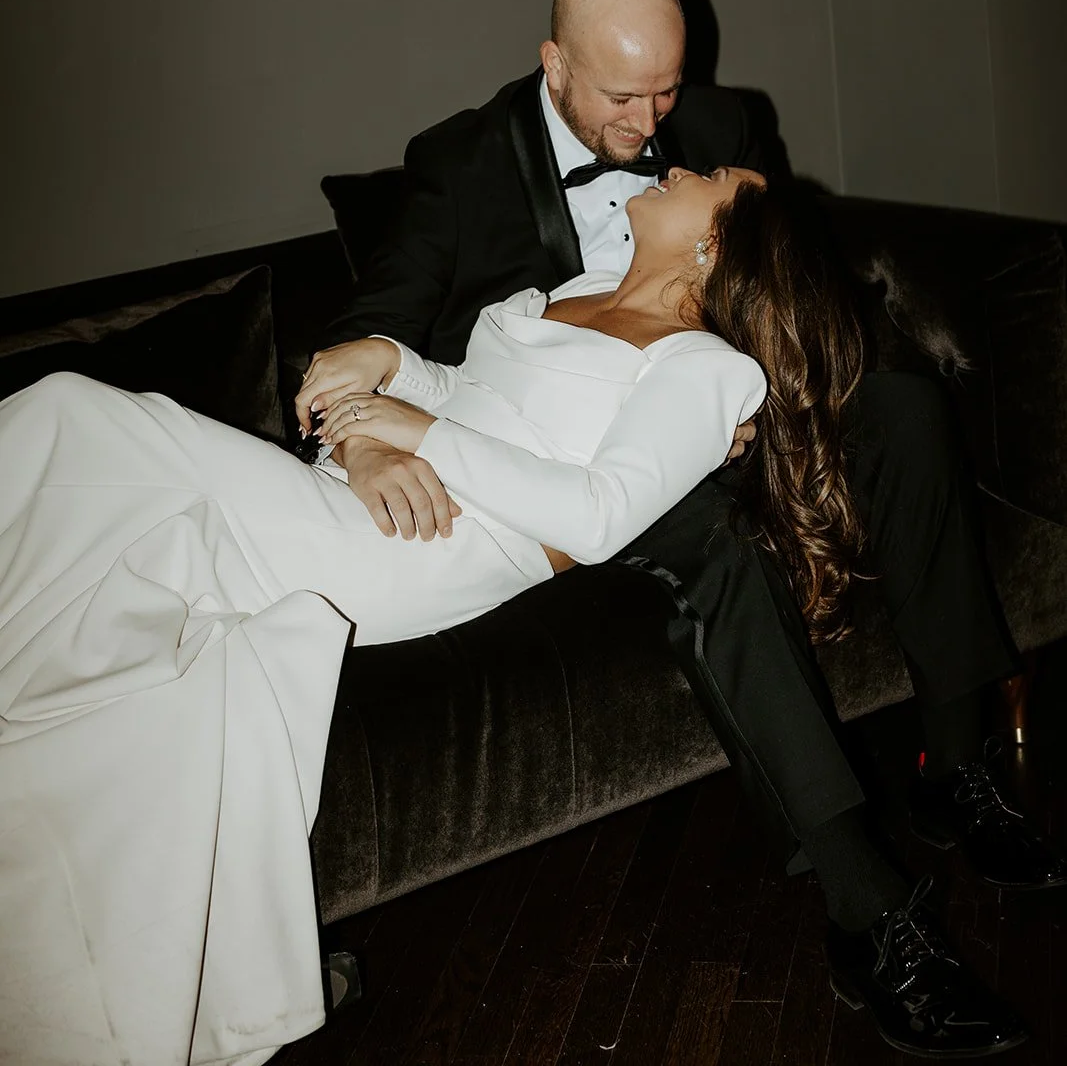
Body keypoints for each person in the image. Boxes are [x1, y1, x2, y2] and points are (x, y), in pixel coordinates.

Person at [302, 0, 1064, 1059]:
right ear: (551, 63)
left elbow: (785, 275)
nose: (653, 118)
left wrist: (771, 382)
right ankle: (868, 911)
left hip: (724, 400)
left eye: (664, 90)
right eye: (622, 96)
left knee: (898, 405)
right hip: (586, 444)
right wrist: (364, 438)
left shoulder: (717, 120)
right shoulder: (461, 164)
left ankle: (955, 765)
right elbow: (375, 329)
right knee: (711, 542)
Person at [1, 164, 881, 1063]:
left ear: (716, 244)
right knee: (90, 513)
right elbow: (467, 394)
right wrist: (386, 370)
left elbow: (595, 515)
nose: (677, 165)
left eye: (709, 178)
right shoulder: (578, 290)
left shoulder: (706, 367)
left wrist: (405, 427)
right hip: (349, 494)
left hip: (425, 546)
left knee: (71, 417)